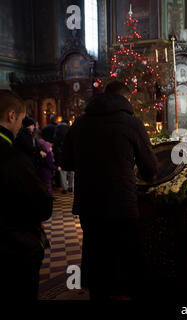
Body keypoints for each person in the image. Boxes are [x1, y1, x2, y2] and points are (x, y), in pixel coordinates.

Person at [62, 81, 158, 300]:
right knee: (126, 255)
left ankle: (98, 294)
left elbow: (66, 163)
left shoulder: (79, 122)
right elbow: (150, 167)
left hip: (89, 204)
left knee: (96, 254)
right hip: (121, 202)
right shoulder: (131, 122)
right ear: (126, 99)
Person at [0, 90, 53, 300]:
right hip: (13, 250)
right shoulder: (12, 157)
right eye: (21, 120)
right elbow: (42, 206)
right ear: (12, 116)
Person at [53, 119, 73, 194]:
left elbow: (55, 140)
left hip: (60, 152)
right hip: (70, 152)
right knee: (71, 170)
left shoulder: (57, 129)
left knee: (63, 171)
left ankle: (64, 188)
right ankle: (71, 187)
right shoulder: (69, 129)